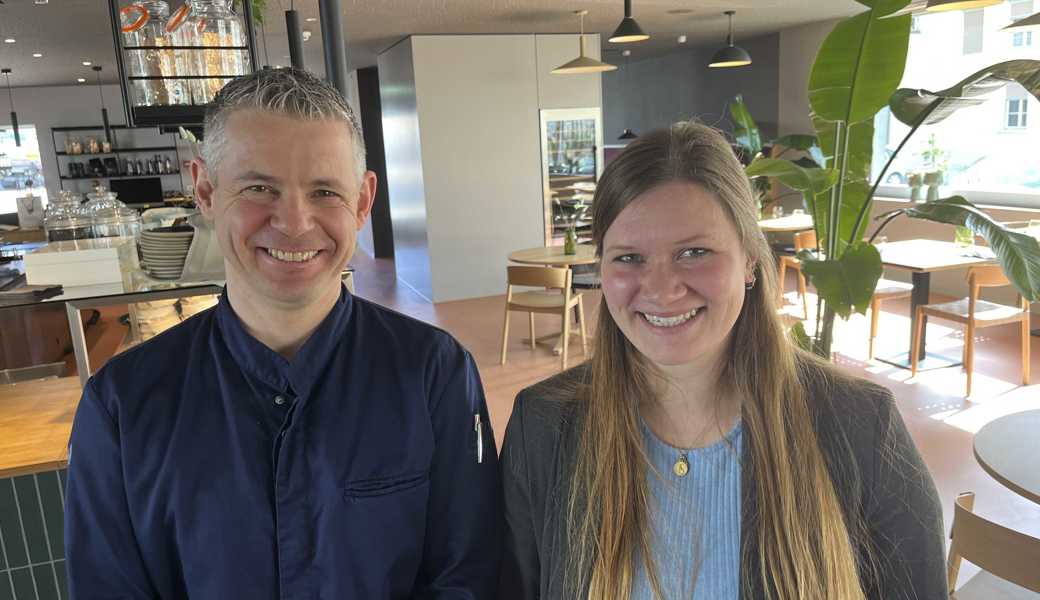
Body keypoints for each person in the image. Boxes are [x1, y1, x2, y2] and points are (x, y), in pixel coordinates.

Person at [65, 67, 501, 599]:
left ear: (363, 201)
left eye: (325, 191)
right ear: (205, 190)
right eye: (258, 188)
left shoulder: (435, 372)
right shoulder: (122, 405)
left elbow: (469, 578)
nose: (294, 223)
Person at [498, 121, 947, 599]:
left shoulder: (861, 427)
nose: (662, 290)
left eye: (694, 252)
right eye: (628, 258)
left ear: (750, 259)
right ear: (601, 267)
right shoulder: (543, 427)